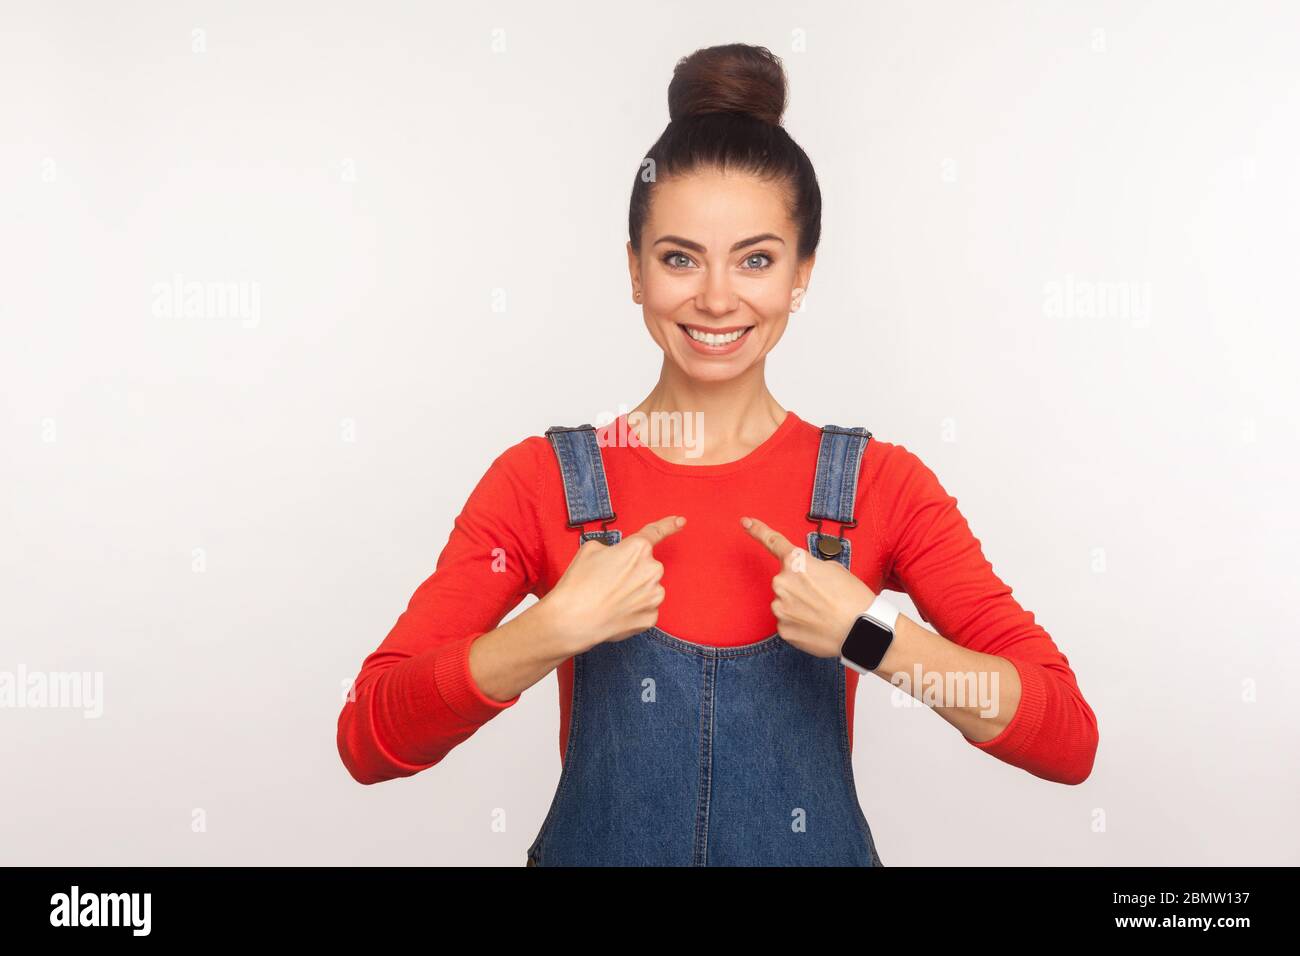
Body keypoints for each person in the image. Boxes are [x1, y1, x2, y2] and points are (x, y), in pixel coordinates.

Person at [337, 43, 1099, 866]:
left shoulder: (881, 488)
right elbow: (369, 740)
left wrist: (873, 636)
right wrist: (548, 629)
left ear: (802, 274)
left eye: (757, 260)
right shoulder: (540, 483)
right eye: (678, 259)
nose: (715, 298)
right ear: (635, 270)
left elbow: (1064, 739)